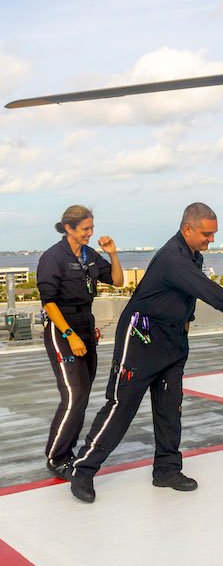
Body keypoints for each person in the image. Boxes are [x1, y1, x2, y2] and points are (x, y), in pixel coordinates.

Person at [68, 203, 223, 503]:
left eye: (213, 234)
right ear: (187, 229)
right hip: (141, 338)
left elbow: (185, 299)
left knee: (170, 407)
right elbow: (214, 296)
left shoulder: (194, 255)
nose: (211, 240)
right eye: (207, 234)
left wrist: (183, 333)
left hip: (172, 340)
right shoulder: (173, 258)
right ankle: (83, 471)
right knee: (121, 407)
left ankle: (166, 469)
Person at [36, 205, 125, 480]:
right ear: (68, 228)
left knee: (83, 395)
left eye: (92, 227)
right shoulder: (53, 257)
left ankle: (67, 451)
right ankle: (56, 457)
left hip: (86, 324)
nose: (90, 232)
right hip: (62, 327)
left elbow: (118, 281)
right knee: (74, 395)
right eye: (85, 228)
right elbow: (49, 303)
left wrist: (112, 253)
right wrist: (69, 335)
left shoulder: (90, 255)